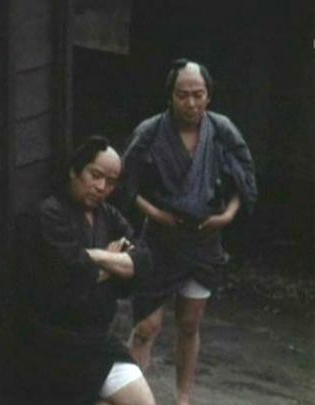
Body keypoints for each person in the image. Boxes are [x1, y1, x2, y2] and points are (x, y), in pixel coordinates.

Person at [121, 59, 257, 405]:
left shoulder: (222, 130)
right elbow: (126, 184)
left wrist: (226, 216)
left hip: (203, 242)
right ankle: (129, 398)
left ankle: (183, 399)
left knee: (190, 324)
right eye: (183, 95)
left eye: (198, 94)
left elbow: (244, 179)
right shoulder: (150, 132)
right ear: (170, 96)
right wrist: (157, 214)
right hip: (159, 241)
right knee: (146, 327)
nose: (191, 103)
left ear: (209, 96)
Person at [15, 136, 156, 405]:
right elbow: (71, 273)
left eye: (111, 182)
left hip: (98, 342)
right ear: (74, 170)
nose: (102, 187)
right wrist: (114, 265)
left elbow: (143, 262)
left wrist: (97, 256)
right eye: (96, 175)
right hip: (56, 345)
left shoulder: (108, 215)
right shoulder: (49, 212)